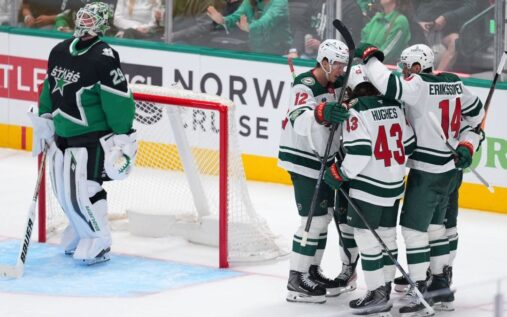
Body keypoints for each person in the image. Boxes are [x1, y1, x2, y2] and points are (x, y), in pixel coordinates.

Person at [354, 43, 484, 314]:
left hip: (427, 171)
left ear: (416, 66)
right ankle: (440, 286)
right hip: (450, 170)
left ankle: (420, 290)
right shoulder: (454, 83)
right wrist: (467, 145)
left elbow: (387, 84)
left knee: (414, 231)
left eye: (405, 66)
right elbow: (477, 118)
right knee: (437, 228)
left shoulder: (418, 85)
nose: (403, 71)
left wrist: (370, 59)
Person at [28, 2, 136, 265]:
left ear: (101, 24)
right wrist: (44, 117)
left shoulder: (104, 56)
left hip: (92, 138)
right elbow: (49, 87)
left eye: (91, 17)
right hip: (62, 134)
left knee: (86, 189)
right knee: (64, 192)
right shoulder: (60, 50)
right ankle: (80, 230)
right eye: (83, 16)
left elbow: (118, 100)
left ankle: (99, 240)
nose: (85, 20)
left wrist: (123, 137)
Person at [324, 65, 415, 316]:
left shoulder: (356, 111)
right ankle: (384, 287)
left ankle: (377, 294)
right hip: (395, 184)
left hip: (368, 186)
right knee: (387, 236)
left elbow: (360, 152)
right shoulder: (395, 106)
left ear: (353, 89)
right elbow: (409, 144)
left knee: (366, 239)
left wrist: (339, 173)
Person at [278, 39, 355, 303]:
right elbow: (298, 117)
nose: (341, 70)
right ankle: (296, 278)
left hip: (325, 159)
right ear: (324, 62)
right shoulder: (304, 84)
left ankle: (311, 270)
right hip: (304, 159)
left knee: (323, 217)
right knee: (313, 221)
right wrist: (321, 112)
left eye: (344, 65)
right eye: (338, 65)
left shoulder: (337, 85)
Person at [206, 0, 292, 55]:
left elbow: (267, 21)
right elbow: (235, 17)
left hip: (279, 55)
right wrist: (222, 20)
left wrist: (249, 27)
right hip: (255, 53)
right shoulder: (249, 2)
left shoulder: (280, 2)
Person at [412, 0, 478, 71]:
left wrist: (446, 18)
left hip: (444, 31)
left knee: (455, 41)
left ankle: (436, 78)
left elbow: (470, 7)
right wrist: (416, 22)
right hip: (418, 26)